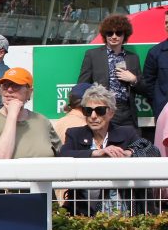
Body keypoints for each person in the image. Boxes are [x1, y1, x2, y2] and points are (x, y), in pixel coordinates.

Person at [60, 84, 143, 215]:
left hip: (123, 215)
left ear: (111, 113)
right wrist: (96, 153)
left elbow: (151, 150)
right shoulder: (74, 134)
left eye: (99, 110)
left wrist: (129, 152)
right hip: (83, 215)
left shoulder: (127, 133)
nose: (93, 116)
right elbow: (63, 154)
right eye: (88, 111)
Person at [79, 14, 147, 129]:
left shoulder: (133, 58)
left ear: (124, 35)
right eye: (110, 33)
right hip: (102, 110)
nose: (114, 36)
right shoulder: (92, 55)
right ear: (105, 35)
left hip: (127, 113)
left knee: (131, 145)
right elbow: (82, 86)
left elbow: (144, 89)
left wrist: (133, 79)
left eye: (118, 33)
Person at [0, 67, 61, 159]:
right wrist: (12, 115)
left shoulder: (41, 120)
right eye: (5, 85)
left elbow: (62, 155)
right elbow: (2, 157)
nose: (9, 90)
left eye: (16, 85)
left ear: (29, 92)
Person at [141, 9, 168, 121]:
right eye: (166, 22)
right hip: (164, 114)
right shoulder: (155, 52)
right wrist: (159, 105)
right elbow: (148, 84)